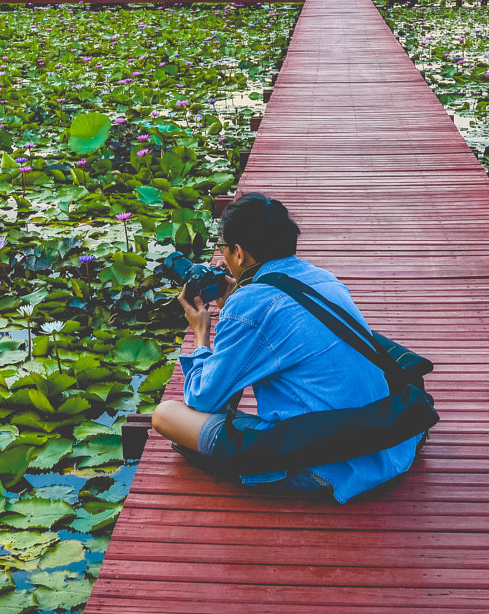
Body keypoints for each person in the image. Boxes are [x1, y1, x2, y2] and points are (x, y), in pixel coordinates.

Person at [152, 193, 424, 502]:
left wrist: (202, 334)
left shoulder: (249, 305)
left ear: (239, 253)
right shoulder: (322, 277)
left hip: (330, 466)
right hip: (390, 443)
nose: (222, 258)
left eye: (223, 249)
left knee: (166, 414)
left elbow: (204, 399)